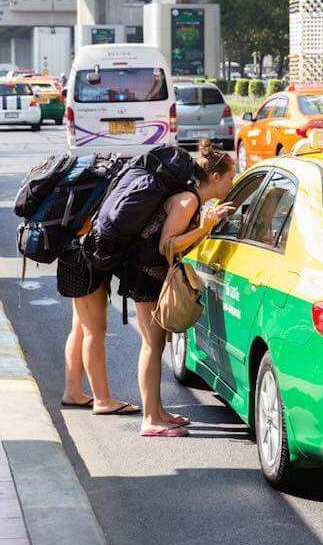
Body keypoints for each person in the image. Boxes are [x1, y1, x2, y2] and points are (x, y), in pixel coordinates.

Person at [124, 139, 235, 437]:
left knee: (157, 345)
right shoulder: (188, 201)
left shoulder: (194, 199)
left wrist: (206, 226)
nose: (232, 183)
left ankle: (158, 411)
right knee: (151, 346)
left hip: (151, 273)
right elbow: (167, 245)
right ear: (215, 177)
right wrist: (204, 227)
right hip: (145, 274)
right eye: (230, 177)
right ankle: (150, 419)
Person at [58, 237, 139, 416]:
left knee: (80, 328)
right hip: (86, 257)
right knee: (93, 332)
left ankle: (73, 392)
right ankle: (102, 400)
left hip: (73, 253)